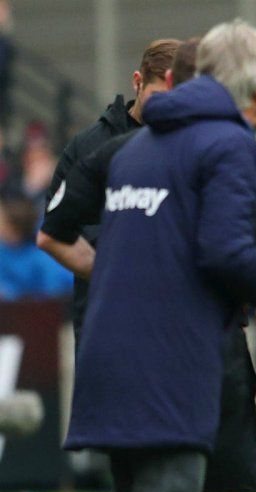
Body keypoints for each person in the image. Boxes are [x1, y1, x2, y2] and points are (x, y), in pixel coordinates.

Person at [40, 36, 256, 492]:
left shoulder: (125, 149)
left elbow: (53, 231)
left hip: (105, 344)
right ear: (255, 89)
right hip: (173, 353)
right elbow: (224, 253)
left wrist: (119, 277)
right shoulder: (228, 146)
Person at [36, 38, 180, 345]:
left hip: (173, 326)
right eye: (158, 98)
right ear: (137, 82)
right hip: (103, 324)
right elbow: (53, 232)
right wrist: (115, 275)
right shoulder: (88, 148)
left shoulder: (192, 147)